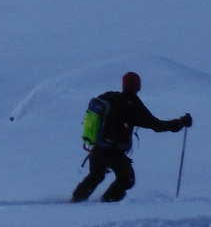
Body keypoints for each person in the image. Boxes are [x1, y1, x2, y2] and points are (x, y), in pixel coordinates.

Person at [71, 72, 191, 203]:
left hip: (97, 149)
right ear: (138, 86)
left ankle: (76, 199)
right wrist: (180, 123)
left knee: (96, 175)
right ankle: (107, 205)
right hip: (112, 152)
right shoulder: (131, 104)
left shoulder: (109, 98)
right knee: (127, 179)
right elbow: (156, 125)